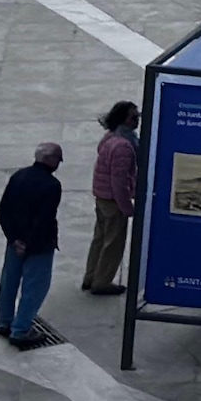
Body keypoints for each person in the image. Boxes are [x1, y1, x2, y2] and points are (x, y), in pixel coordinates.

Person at [0, 140, 65, 347]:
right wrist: (28, 243)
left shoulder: (18, 176)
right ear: (50, 159)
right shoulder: (52, 185)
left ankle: (3, 322)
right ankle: (21, 330)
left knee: (9, 283)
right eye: (58, 159)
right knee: (34, 288)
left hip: (14, 242)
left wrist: (14, 239)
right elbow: (44, 219)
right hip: (38, 245)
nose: (59, 163)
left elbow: (2, 211)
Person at [81, 100, 142, 298]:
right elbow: (119, 181)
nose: (137, 120)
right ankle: (102, 282)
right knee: (113, 244)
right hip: (113, 200)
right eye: (134, 117)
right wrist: (127, 207)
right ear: (124, 119)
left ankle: (91, 276)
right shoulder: (123, 146)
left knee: (99, 239)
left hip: (102, 196)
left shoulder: (110, 137)